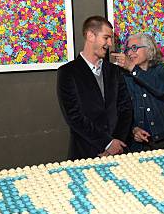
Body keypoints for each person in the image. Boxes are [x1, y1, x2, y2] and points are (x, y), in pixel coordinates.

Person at [56, 16, 132, 160]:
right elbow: (74, 117)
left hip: (118, 153)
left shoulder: (115, 71)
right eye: (106, 38)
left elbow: (126, 109)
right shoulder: (67, 73)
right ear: (91, 36)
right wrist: (107, 143)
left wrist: (115, 144)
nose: (110, 43)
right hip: (84, 154)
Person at [111, 33, 164, 152]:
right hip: (136, 145)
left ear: (149, 49)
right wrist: (133, 129)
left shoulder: (162, 70)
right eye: (128, 50)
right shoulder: (123, 76)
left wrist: (132, 68)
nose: (130, 53)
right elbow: (120, 110)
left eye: (134, 48)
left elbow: (160, 89)